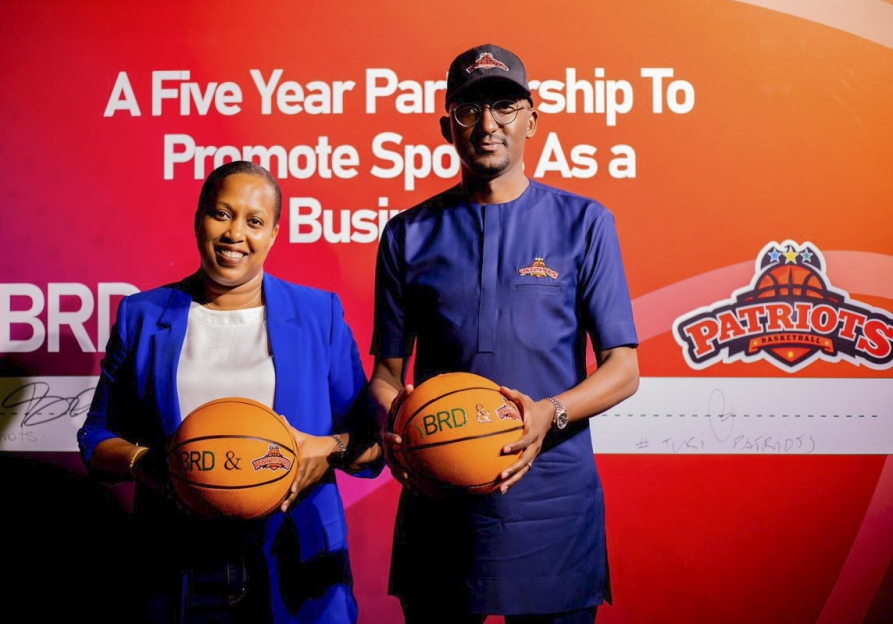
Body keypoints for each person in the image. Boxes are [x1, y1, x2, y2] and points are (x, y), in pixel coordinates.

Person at [369, 44, 640, 623]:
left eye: (504, 106)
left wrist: (551, 413)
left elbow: (624, 369)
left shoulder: (585, 223)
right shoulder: (405, 235)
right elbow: (387, 378)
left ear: (532, 120)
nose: (487, 125)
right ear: (448, 127)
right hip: (441, 496)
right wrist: (397, 429)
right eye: (468, 110)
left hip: (553, 504)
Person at [77, 160, 381, 623]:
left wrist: (327, 449)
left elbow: (370, 442)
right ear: (199, 218)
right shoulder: (142, 315)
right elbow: (96, 439)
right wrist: (147, 464)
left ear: (274, 233)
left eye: (254, 221)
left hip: (295, 566)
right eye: (222, 214)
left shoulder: (320, 314)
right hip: (178, 568)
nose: (235, 233)